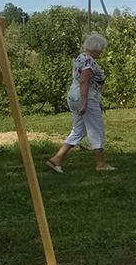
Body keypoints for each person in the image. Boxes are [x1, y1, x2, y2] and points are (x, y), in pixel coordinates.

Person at [47, 33, 115, 172]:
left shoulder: (80, 58)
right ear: (96, 49)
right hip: (85, 98)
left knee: (79, 130)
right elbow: (84, 81)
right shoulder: (88, 62)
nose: (102, 52)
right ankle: (101, 163)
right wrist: (85, 103)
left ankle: (57, 159)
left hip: (74, 96)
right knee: (96, 129)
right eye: (101, 49)